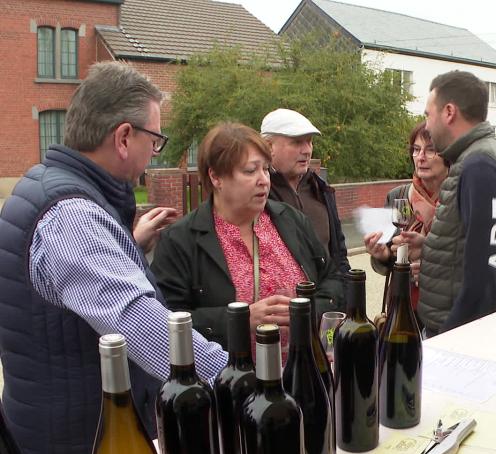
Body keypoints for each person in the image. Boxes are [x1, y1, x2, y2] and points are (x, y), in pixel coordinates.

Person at [0, 62, 229, 454]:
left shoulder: (49, 185)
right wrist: (237, 381)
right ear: (124, 137)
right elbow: (138, 324)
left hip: (59, 431)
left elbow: (71, 280)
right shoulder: (71, 216)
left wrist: (129, 247)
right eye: (155, 140)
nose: (153, 154)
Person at [151, 122, 344, 354]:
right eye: (250, 171)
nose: (263, 180)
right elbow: (167, 321)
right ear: (216, 177)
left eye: (266, 169)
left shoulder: (291, 220)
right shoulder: (180, 240)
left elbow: (332, 279)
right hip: (232, 381)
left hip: (303, 375)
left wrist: (307, 310)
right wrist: (241, 319)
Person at [406, 70, 496, 336]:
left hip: (464, 341)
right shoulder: (474, 159)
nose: (426, 124)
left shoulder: (479, 166)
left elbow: (486, 275)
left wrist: (451, 341)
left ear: (449, 112)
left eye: (428, 114)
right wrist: (433, 248)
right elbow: (473, 247)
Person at [260, 108, 349, 307]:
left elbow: (339, 256)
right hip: (284, 316)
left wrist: (347, 304)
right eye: (297, 142)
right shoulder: (258, 198)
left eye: (309, 141)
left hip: (328, 312)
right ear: (268, 146)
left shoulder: (321, 190)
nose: (307, 150)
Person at [364, 121, 450, 311]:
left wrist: (429, 261)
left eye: (430, 150)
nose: (420, 157)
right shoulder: (398, 196)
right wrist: (383, 255)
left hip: (443, 307)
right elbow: (384, 265)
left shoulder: (457, 199)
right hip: (403, 304)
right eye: (416, 149)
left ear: (448, 156)